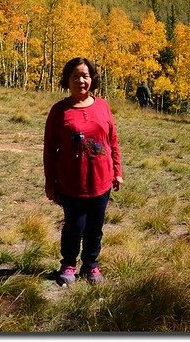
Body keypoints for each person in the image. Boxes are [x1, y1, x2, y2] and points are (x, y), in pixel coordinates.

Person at [43, 57, 123, 285]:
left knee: (95, 228)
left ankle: (91, 265)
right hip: (71, 182)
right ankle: (68, 264)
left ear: (93, 79)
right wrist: (51, 182)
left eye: (85, 76)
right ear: (67, 80)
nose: (81, 80)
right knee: (73, 227)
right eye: (75, 76)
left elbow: (113, 141)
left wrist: (117, 171)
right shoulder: (59, 111)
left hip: (101, 179)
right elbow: (50, 149)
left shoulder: (103, 106)